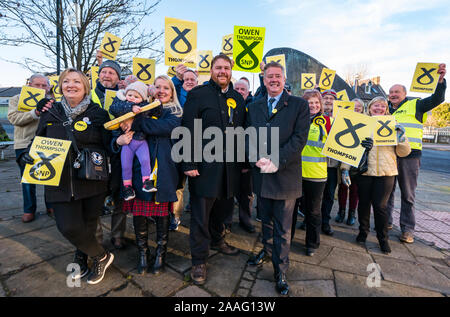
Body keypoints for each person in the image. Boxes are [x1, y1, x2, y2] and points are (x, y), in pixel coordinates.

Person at [19, 68, 114, 284]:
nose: (71, 85)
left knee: (89, 224)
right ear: (60, 86)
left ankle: (81, 256)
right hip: (58, 180)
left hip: (90, 180)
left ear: (85, 87)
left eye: (77, 82)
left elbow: (109, 145)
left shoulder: (98, 113)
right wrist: (26, 154)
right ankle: (102, 256)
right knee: (68, 226)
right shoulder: (50, 112)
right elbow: (38, 140)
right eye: (66, 81)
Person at [182, 54, 246, 285]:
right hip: (204, 167)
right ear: (211, 70)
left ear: (231, 70)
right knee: (201, 214)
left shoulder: (238, 98)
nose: (222, 71)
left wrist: (244, 164)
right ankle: (199, 260)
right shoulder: (197, 95)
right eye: (218, 67)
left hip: (230, 167)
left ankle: (218, 239)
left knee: (223, 209)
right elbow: (188, 127)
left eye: (226, 68)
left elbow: (242, 132)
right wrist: (188, 162)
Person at [246, 61, 309, 295]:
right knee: (265, 220)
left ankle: (280, 270)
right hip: (261, 174)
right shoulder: (254, 106)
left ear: (284, 79)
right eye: (269, 76)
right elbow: (248, 136)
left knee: (283, 228)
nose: (273, 80)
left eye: (277, 76)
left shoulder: (298, 105)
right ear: (264, 80)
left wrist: (275, 159)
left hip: (285, 176)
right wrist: (254, 158)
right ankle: (267, 250)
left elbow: (299, 139)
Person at [115, 75, 182, 275]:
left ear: (172, 92)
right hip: (138, 171)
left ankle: (161, 253)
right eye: (158, 87)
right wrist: (118, 138)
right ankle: (143, 254)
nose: (161, 91)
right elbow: (115, 130)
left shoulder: (175, 113)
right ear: (151, 90)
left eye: (166, 88)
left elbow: (160, 127)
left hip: (163, 171)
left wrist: (133, 121)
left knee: (162, 214)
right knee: (140, 213)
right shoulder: (138, 108)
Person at [386, 64, 446, 243]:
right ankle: (387, 222)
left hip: (410, 156)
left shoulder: (416, 105)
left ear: (404, 94)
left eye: (397, 92)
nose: (393, 95)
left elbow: (437, 98)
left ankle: (407, 229)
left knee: (407, 194)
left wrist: (440, 81)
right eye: (391, 92)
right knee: (387, 191)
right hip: (389, 154)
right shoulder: (386, 109)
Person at [343, 97, 411, 254]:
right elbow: (349, 147)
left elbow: (404, 152)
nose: (379, 108)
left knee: (381, 206)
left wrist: (401, 138)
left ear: (386, 109)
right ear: (370, 107)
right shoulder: (362, 123)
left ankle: (383, 238)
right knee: (364, 203)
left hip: (386, 172)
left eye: (382, 106)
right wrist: (345, 168)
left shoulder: (393, 125)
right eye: (376, 105)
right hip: (365, 171)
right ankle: (363, 232)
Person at [8, 73, 54, 223]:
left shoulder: (53, 101)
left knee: (50, 178)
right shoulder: (17, 99)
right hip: (24, 143)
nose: (41, 88)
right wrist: (35, 112)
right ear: (29, 84)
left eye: (44, 85)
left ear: (48, 87)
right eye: (37, 85)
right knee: (27, 180)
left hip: (47, 143)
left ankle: (52, 205)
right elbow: (14, 119)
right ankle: (29, 209)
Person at [91, 58, 127, 249]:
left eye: (111, 72)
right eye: (104, 72)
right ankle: (96, 238)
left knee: (120, 193)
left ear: (117, 77)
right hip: (95, 150)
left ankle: (118, 234)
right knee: (95, 196)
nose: (107, 75)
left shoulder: (124, 95)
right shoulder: (89, 95)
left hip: (119, 150)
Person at [291, 89, 329, 256]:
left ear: (320, 105)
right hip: (295, 172)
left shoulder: (328, 121)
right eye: (309, 102)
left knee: (313, 211)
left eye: (316, 102)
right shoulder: (296, 119)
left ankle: (312, 244)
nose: (313, 105)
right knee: (291, 210)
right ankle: (287, 239)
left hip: (316, 174)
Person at [109, 81, 157, 201]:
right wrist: (130, 107)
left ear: (142, 99)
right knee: (126, 165)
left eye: (136, 97)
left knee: (145, 160)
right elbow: (114, 108)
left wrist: (155, 102)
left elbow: (152, 111)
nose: (132, 98)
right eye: (130, 95)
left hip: (141, 141)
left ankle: (146, 182)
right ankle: (127, 187)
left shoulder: (144, 106)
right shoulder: (121, 103)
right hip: (127, 143)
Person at [170, 64, 199, 231]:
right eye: (186, 79)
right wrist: (177, 77)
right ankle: (176, 216)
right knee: (179, 185)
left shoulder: (202, 96)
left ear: (197, 81)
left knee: (197, 185)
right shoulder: (177, 95)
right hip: (179, 145)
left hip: (198, 147)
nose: (189, 81)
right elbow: (170, 87)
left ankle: (196, 212)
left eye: (192, 79)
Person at [224, 79, 256, 234]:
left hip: (246, 160)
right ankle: (227, 221)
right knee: (228, 192)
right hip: (228, 158)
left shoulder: (253, 108)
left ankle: (245, 220)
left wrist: (247, 162)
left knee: (246, 194)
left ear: (248, 92)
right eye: (236, 88)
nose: (239, 91)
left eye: (243, 89)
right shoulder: (225, 106)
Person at [335, 98, 364, 225]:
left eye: (359, 106)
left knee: (355, 189)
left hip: (358, 160)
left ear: (363, 109)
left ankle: (352, 214)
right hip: (344, 158)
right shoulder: (343, 119)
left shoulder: (366, 122)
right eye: (354, 106)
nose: (356, 108)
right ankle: (341, 212)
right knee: (343, 187)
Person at [319, 89, 338, 236]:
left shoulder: (340, 118)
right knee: (312, 195)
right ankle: (310, 220)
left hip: (332, 164)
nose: (329, 100)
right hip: (315, 163)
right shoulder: (314, 115)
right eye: (326, 97)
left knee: (329, 195)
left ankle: (325, 221)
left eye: (332, 98)